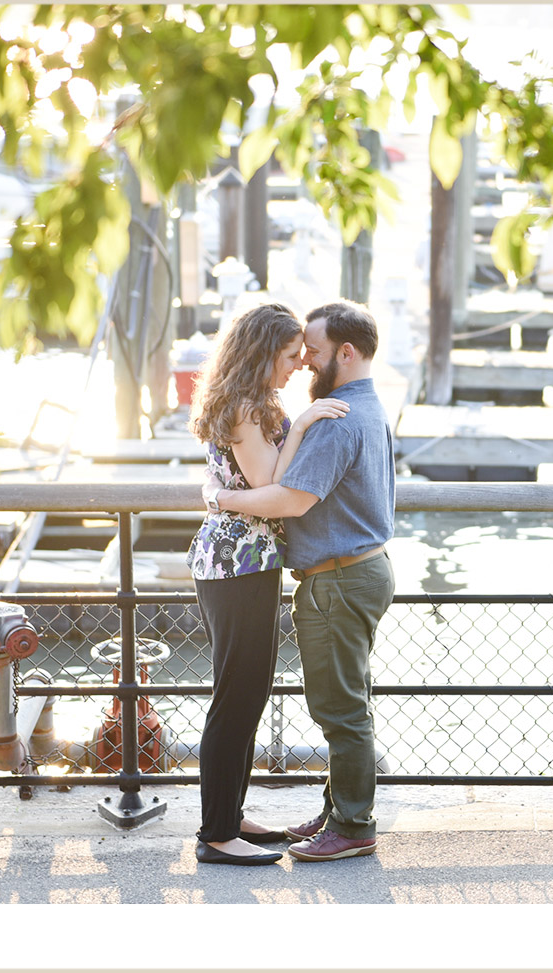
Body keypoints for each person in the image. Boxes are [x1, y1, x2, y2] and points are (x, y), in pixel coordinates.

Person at [207, 299, 396, 863]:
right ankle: (340, 809)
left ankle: (352, 824)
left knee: (340, 709)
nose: (305, 365)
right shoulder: (365, 408)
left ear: (345, 352)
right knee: (347, 700)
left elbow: (288, 497)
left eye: (310, 353)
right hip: (354, 571)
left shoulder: (336, 419)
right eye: (297, 354)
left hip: (338, 579)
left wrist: (220, 498)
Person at [186, 302, 350, 866]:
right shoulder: (242, 408)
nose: (299, 365)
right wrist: (303, 423)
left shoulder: (252, 404)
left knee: (247, 693)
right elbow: (269, 479)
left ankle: (229, 815)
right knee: (236, 696)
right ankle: (215, 834)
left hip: (244, 561)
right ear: (261, 355)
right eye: (288, 356)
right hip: (237, 565)